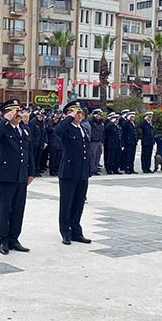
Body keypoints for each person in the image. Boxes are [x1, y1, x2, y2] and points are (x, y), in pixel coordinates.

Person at [0, 99, 35, 255]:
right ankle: (3, 239)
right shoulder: (2, 129)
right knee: (5, 209)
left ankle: (14, 238)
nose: (18, 114)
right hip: (6, 175)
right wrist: (5, 120)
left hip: (21, 175)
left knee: (18, 209)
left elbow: (30, 152)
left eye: (19, 111)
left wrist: (31, 172)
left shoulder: (25, 129)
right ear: (7, 113)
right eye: (14, 112)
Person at [55, 101, 92, 245]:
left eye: (80, 113)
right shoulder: (66, 128)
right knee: (67, 202)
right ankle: (65, 232)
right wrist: (69, 117)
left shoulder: (83, 128)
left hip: (82, 171)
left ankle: (76, 230)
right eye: (76, 113)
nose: (79, 115)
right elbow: (58, 131)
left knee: (78, 203)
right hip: (69, 171)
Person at [88, 109, 104, 175]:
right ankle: (91, 169)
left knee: (98, 155)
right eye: (98, 115)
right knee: (92, 156)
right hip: (93, 141)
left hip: (99, 140)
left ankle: (95, 169)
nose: (99, 116)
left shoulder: (100, 122)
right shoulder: (91, 121)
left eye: (100, 115)